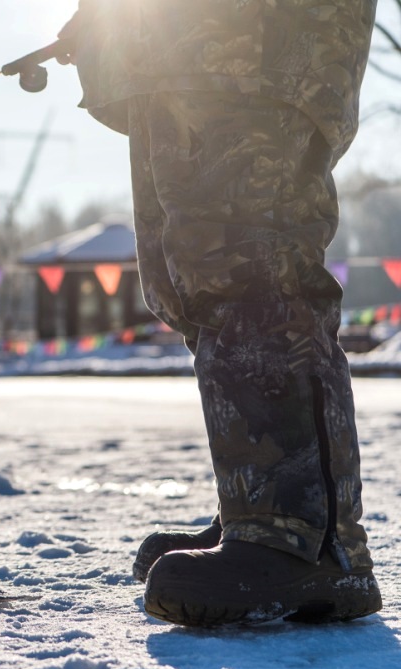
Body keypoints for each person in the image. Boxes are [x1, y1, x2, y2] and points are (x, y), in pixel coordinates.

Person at [52, 0, 382, 626]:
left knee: (250, 268)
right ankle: (257, 503)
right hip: (164, 54)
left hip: (258, 43)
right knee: (187, 278)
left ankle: (305, 538)